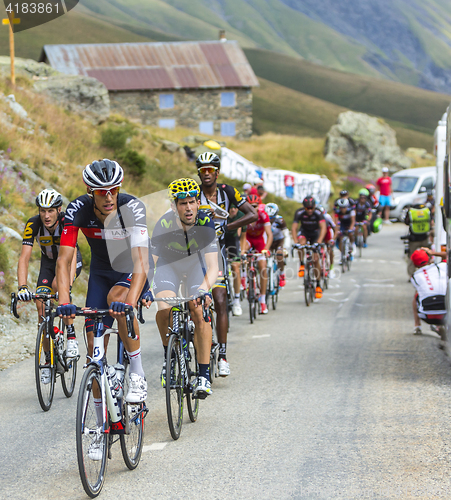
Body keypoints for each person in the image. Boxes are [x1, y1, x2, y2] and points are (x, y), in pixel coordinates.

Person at [56, 159, 150, 406]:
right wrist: (64, 300)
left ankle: (137, 373)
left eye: (114, 190)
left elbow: (142, 260)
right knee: (94, 355)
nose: (109, 197)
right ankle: (99, 428)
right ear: (90, 192)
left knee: (116, 301)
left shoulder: (132, 207)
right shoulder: (78, 209)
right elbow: (64, 259)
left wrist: (130, 304)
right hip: (100, 272)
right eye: (101, 192)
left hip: (130, 269)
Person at [151, 178, 218, 398]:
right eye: (182, 203)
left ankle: (204, 374)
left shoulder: (206, 222)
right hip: (169, 266)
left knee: (197, 309)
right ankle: (169, 356)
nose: (188, 207)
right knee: (164, 307)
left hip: (195, 267)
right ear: (174, 206)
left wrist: (204, 290)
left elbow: (213, 266)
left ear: (198, 203)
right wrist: (143, 288)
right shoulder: (164, 224)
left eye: (192, 202)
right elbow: (151, 262)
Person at [196, 152, 257, 376]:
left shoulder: (228, 191)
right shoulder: (193, 192)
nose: (207, 174)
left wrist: (227, 227)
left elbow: (253, 214)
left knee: (220, 300)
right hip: (195, 250)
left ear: (217, 172)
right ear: (199, 173)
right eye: (203, 170)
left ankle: (222, 355)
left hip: (218, 250)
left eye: (211, 170)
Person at [17, 188, 82, 383]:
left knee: (59, 287)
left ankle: (71, 337)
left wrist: (67, 286)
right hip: (48, 263)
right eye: (42, 210)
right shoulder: (33, 224)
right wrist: (22, 287)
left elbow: (69, 258)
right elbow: (24, 258)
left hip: (70, 261)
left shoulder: (66, 222)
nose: (46, 215)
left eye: (51, 211)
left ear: (59, 210)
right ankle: (47, 360)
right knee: (41, 306)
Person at [242, 194, 273, 312]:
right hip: (248, 239)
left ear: (258, 206)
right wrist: (243, 252)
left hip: (260, 240)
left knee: (263, 267)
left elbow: (269, 234)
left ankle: (263, 300)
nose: (252, 208)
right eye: (249, 206)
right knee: (244, 254)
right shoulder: (244, 215)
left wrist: (266, 249)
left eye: (254, 206)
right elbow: (242, 236)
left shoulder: (263, 215)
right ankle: (244, 276)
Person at [292, 196, 327, 299]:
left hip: (315, 234)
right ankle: (302, 264)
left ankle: (318, 284)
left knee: (316, 259)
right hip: (304, 232)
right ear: (304, 208)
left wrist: (319, 241)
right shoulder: (299, 213)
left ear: (314, 207)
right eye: (308, 208)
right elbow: (294, 228)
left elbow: (323, 228)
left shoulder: (318, 213)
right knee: (300, 243)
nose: (310, 210)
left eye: (312, 208)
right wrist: (295, 241)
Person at [410, 249, 447, 336]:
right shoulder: (442, 266)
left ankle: (417, 326)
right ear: (430, 258)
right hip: (446, 312)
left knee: (417, 295)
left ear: (414, 264)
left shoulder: (414, 276)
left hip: (426, 316)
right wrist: (433, 252)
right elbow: (448, 254)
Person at [224, 205, 245, 315]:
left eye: (235, 208)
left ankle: (237, 300)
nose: (232, 210)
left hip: (233, 240)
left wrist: (242, 253)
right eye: (230, 208)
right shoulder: (222, 212)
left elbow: (243, 237)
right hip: (221, 239)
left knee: (235, 268)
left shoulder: (241, 216)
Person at [403, 204, 431, 276]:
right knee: (427, 256)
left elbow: (406, 222)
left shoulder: (411, 212)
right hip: (425, 237)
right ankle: (427, 273)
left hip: (413, 239)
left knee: (412, 257)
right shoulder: (426, 211)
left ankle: (411, 275)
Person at [265, 202, 287, 287]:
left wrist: (284, 248)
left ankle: (282, 274)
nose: (270, 220)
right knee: (265, 256)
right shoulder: (262, 219)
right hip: (269, 241)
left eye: (272, 218)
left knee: (279, 255)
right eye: (268, 217)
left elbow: (286, 234)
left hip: (279, 241)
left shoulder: (280, 220)